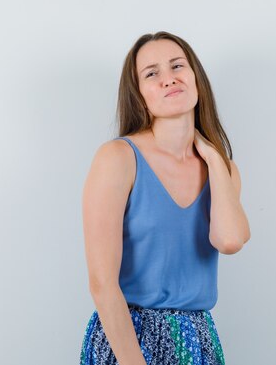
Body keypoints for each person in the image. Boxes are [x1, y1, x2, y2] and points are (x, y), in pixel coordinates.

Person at [79, 31, 251, 365]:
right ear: (140, 95)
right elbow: (102, 283)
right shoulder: (118, 158)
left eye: (177, 66)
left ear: (196, 79)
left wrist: (214, 159)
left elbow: (229, 240)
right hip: (129, 337)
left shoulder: (223, 169)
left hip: (196, 339)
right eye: (152, 73)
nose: (168, 79)